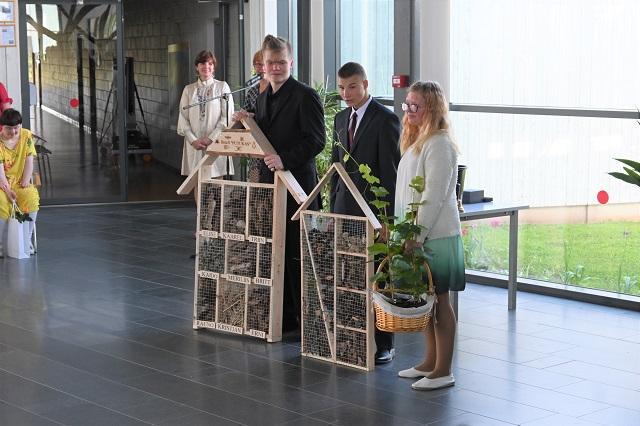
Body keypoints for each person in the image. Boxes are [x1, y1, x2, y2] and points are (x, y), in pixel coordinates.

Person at [233, 35, 325, 333]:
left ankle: (306, 322)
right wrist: (246, 121)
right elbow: (265, 137)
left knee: (299, 255)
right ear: (263, 65)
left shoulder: (305, 95)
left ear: (291, 63)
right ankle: (283, 317)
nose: (276, 68)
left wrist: (285, 159)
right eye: (271, 63)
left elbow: (317, 141)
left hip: (298, 187)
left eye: (281, 63)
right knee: (276, 252)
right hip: (270, 188)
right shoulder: (262, 97)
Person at [394, 81, 465, 390]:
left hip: (435, 237)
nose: (409, 110)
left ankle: (443, 370)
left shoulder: (439, 144)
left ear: (432, 109)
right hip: (417, 234)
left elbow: (433, 196)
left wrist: (417, 235)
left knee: (440, 301)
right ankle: (430, 362)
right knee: (426, 301)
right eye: (407, 104)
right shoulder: (418, 141)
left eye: (416, 106)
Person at [330, 62, 400, 364]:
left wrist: (386, 220)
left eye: (352, 87)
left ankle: (385, 343)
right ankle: (353, 336)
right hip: (344, 210)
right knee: (349, 274)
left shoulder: (385, 120)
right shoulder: (340, 118)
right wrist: (331, 210)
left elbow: (391, 174)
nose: (346, 93)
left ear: (366, 84)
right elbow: (335, 168)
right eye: (342, 88)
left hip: (373, 213)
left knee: (379, 277)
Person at [177, 50, 234, 186]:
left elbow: (227, 117)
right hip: (195, 145)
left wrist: (211, 138)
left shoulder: (222, 87)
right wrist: (193, 140)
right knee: (198, 184)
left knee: (217, 184)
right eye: (202, 63)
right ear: (197, 66)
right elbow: (183, 118)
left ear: (214, 67)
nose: (206, 66)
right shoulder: (188, 90)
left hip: (216, 142)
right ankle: (199, 203)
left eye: (210, 63)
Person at [0, 109, 39, 257]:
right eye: (9, 128)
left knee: (31, 197)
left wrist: (25, 180)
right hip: (2, 183)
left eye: (16, 128)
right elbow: (0, 173)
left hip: (20, 180)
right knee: (2, 203)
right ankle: (1, 244)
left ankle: (25, 240)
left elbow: (29, 160)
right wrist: (8, 191)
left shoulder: (26, 135)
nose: (13, 132)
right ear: (2, 127)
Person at [243, 49, 270, 182]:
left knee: (270, 183)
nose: (260, 68)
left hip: (271, 144)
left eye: (263, 64)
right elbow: (246, 110)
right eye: (257, 64)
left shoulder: (277, 88)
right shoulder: (252, 91)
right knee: (254, 182)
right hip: (255, 142)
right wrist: (244, 115)